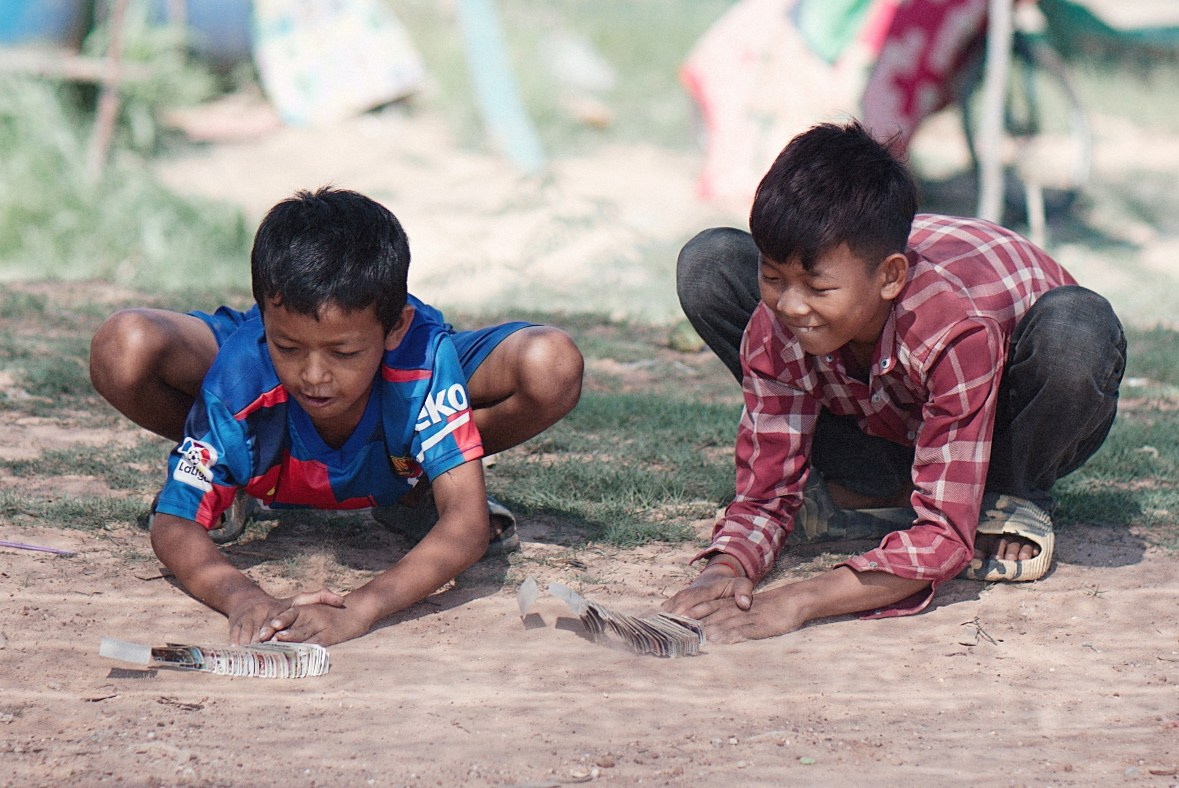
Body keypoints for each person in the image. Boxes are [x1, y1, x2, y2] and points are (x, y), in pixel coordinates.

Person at [664, 121, 1124, 643]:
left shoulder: (952, 327)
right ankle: (890, 484)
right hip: (896, 417)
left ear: (890, 277)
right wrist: (727, 567)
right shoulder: (783, 319)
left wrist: (799, 600)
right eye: (772, 279)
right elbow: (765, 495)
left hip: (1011, 416)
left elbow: (943, 540)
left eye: (817, 287)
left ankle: (1007, 494)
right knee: (711, 261)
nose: (789, 305)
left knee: (1076, 330)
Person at [89, 187, 583, 647]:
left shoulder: (423, 361)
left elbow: (467, 525)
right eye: (288, 347)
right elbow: (173, 523)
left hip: (398, 401)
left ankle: (418, 481)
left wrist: (358, 610)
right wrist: (243, 597)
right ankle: (227, 473)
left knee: (552, 362)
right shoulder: (243, 372)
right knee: (123, 344)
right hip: (258, 396)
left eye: (343, 352)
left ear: (394, 328)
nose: (314, 375)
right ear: (263, 321)